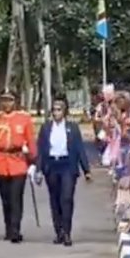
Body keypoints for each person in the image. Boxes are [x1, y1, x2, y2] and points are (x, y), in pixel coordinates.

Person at [32, 95, 91, 247]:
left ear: (64, 112)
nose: (56, 112)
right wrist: (38, 170)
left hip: (67, 166)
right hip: (52, 166)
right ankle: (58, 231)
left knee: (66, 199)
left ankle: (67, 232)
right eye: (54, 110)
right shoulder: (46, 128)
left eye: (59, 110)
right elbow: (41, 150)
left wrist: (86, 170)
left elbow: (79, 149)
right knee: (55, 200)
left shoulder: (72, 127)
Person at [0, 90, 35, 243]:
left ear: (15, 102)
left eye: (10, 100)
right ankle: (8, 228)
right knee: (5, 198)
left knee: (16, 197)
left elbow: (30, 140)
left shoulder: (23, 119)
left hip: (18, 161)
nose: (7, 103)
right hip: (1, 161)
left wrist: (33, 161)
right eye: (4, 100)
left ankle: (15, 230)